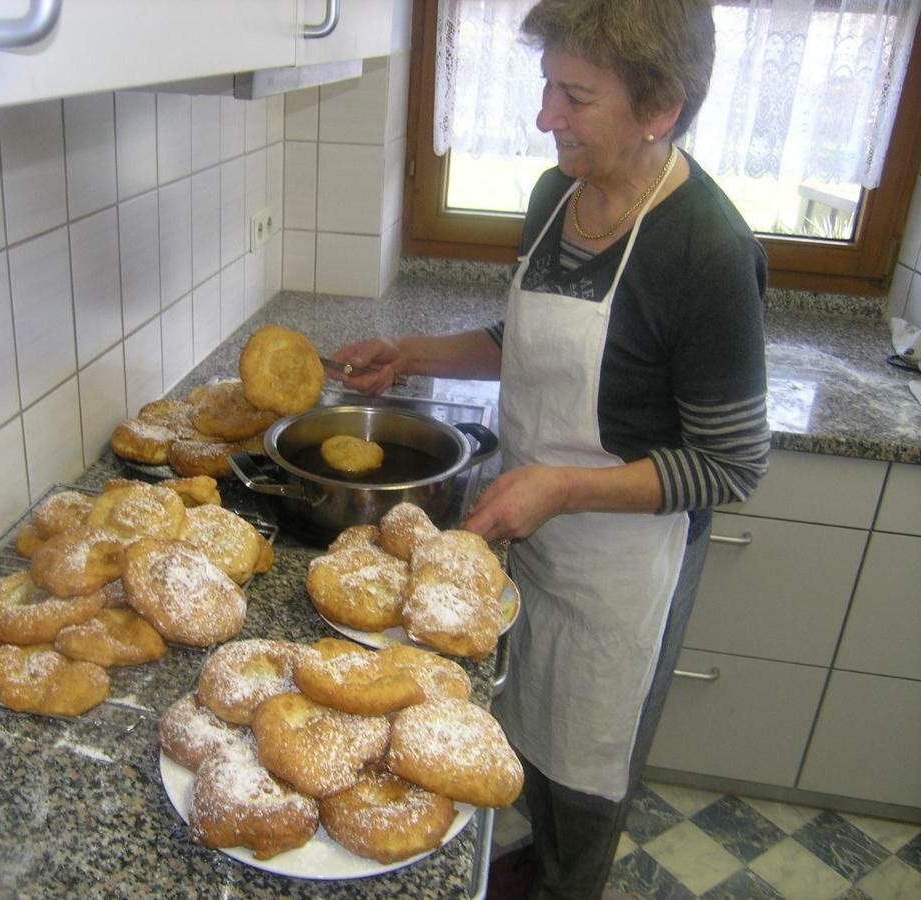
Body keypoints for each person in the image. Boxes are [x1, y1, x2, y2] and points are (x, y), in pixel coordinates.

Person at [328, 1, 770, 896]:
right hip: (526, 526)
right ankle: (521, 865)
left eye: (575, 96)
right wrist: (412, 354)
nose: (544, 119)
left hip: (619, 566)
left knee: (585, 776)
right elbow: (523, 336)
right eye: (545, 88)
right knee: (513, 727)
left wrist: (563, 490)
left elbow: (730, 464)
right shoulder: (555, 194)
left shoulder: (708, 249)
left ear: (660, 109)